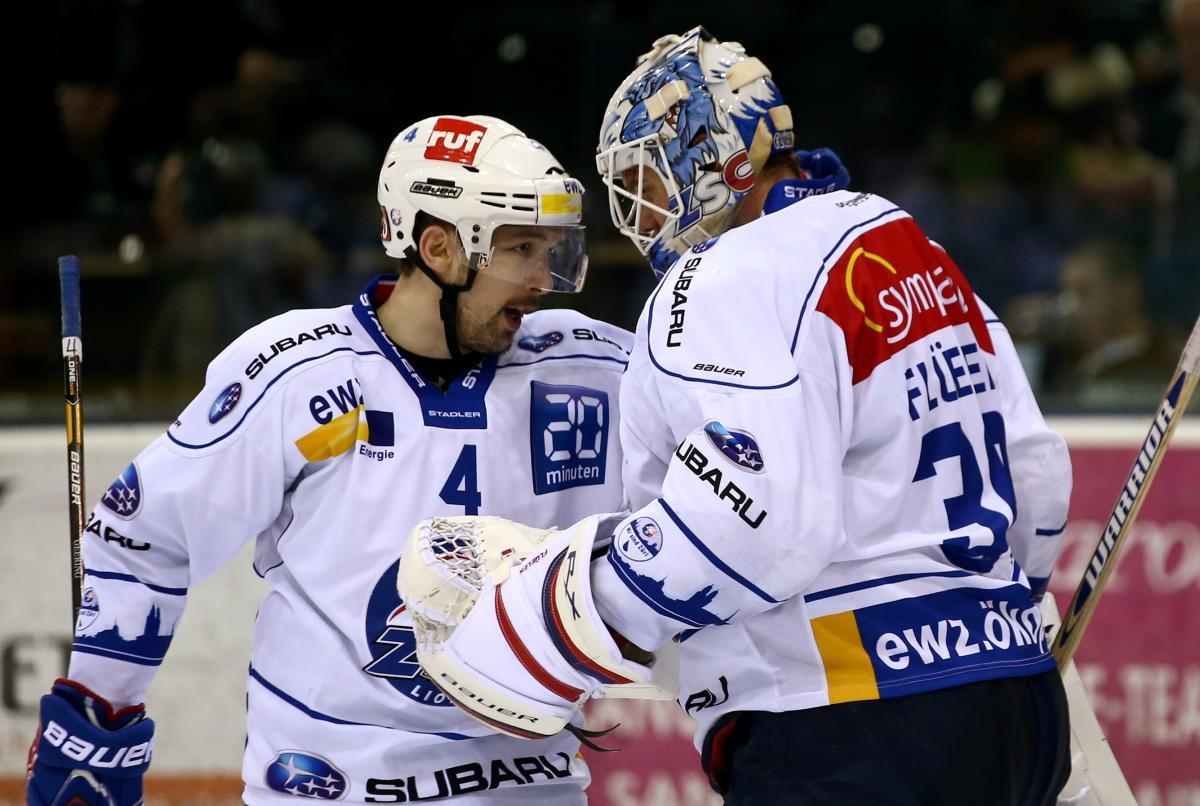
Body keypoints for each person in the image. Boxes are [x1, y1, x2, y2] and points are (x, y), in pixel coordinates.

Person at [398, 29, 1075, 805]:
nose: (644, 210)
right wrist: (1001, 625)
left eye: (650, 177)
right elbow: (1037, 472)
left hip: (850, 719)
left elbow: (753, 518)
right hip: (1016, 704)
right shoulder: (908, 243)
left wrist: (554, 624)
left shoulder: (726, 274)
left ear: (719, 159)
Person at [26, 114, 635, 804]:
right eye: (520, 248)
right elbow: (151, 536)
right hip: (328, 783)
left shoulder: (594, 368)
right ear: (437, 247)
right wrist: (96, 716)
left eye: (552, 249)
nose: (543, 279)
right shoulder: (299, 374)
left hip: (527, 782)